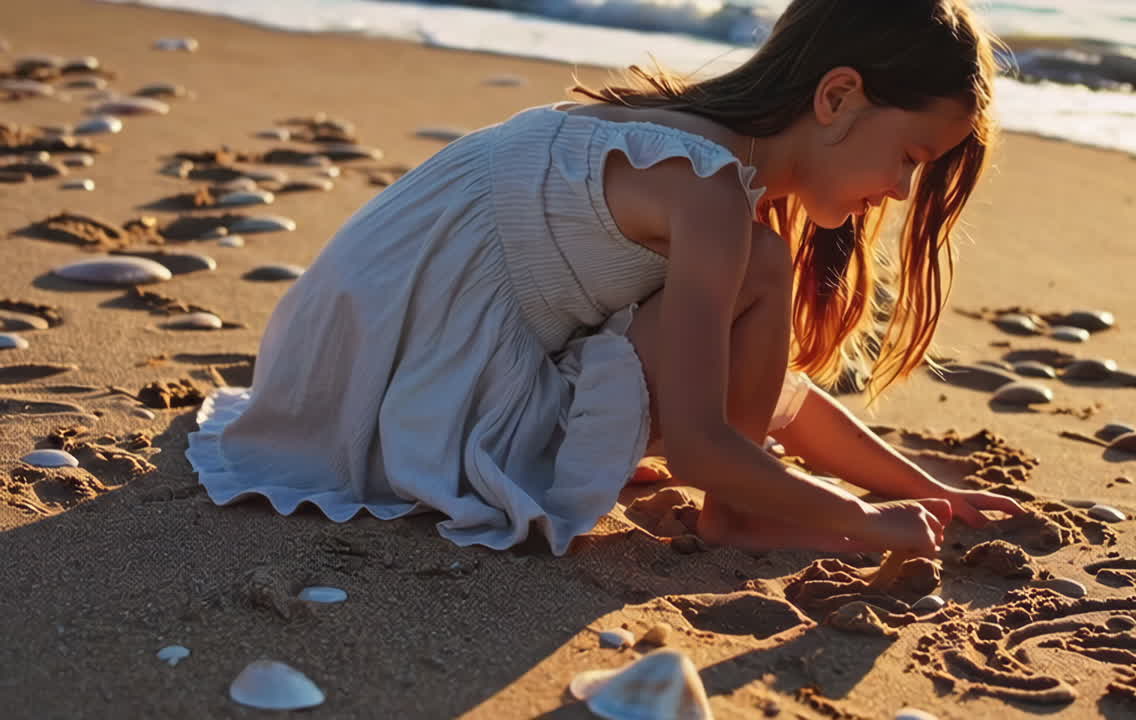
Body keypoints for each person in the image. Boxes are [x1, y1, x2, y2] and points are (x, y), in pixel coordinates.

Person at [187, 0, 1026, 558]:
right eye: (910, 158)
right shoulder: (705, 191)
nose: (901, 189)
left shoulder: (676, 145)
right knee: (764, 270)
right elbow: (703, 444)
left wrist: (924, 487)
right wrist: (859, 521)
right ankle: (744, 510)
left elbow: (776, 395)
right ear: (838, 96)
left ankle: (750, 501)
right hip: (381, 401)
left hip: (337, 361)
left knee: (761, 271)